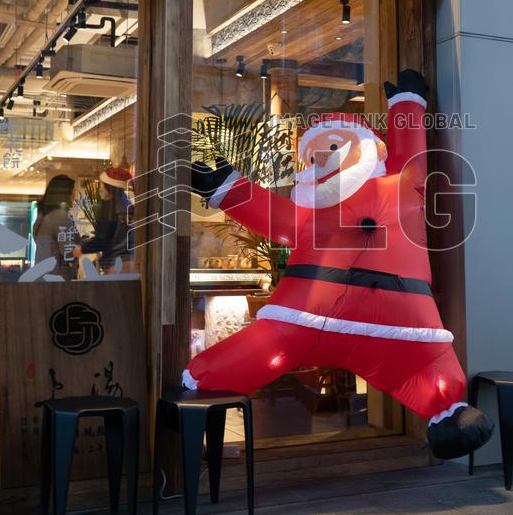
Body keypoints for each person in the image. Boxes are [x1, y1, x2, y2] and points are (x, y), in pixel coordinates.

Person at [185, 69, 493, 460]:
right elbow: (275, 216)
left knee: (432, 377)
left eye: (329, 146)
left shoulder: (398, 187)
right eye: (311, 153)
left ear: (371, 151)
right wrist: (224, 186)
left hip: (387, 325)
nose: (318, 159)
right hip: (306, 321)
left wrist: (408, 106)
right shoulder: (312, 212)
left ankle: (447, 413)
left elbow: (410, 154)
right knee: (255, 352)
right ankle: (202, 380)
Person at [73, 167, 132, 273]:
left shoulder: (109, 208)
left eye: (102, 184)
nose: (100, 188)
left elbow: (103, 239)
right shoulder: (127, 205)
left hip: (115, 263)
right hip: (129, 261)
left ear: (109, 187)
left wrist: (82, 248)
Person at [32, 175, 77, 277]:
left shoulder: (43, 216)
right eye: (73, 191)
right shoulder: (61, 216)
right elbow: (68, 251)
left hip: (42, 275)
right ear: (65, 193)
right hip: (57, 277)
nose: (75, 195)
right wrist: (83, 248)